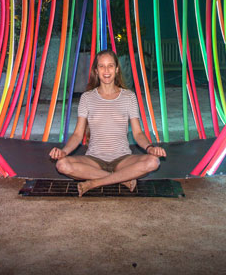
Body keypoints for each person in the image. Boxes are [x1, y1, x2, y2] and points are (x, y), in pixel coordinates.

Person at [48, 49, 166, 196]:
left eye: (110, 66)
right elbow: (78, 134)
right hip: (94, 160)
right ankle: (123, 179)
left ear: (116, 69)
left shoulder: (129, 97)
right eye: (102, 66)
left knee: (153, 162)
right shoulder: (87, 97)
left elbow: (137, 133)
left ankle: (95, 182)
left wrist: (150, 148)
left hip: (123, 159)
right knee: (62, 164)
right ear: (96, 70)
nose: (106, 70)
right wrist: (63, 152)